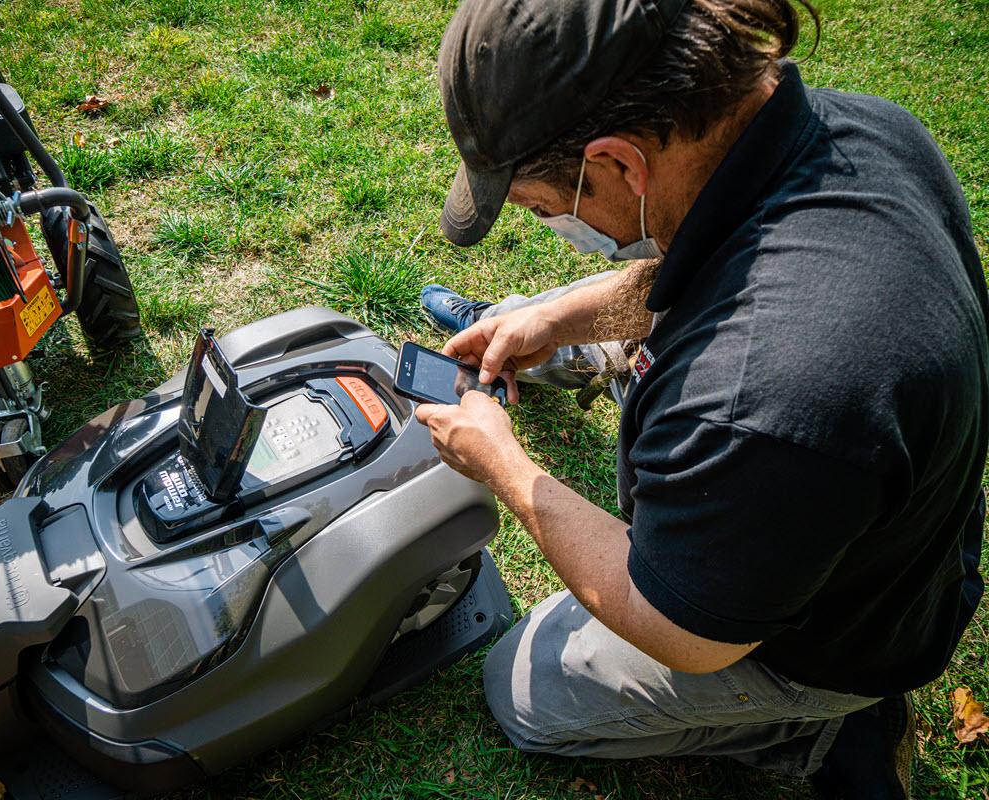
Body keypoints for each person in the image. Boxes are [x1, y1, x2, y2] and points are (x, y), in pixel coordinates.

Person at [412, 1, 988, 798]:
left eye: (547, 208)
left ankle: (821, 730)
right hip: (891, 533)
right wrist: (558, 316)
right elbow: (705, 260)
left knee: (521, 690)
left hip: (828, 640)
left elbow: (683, 630)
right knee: (623, 282)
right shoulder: (866, 133)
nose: (557, 226)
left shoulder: (763, 393)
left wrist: (507, 467)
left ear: (620, 163)